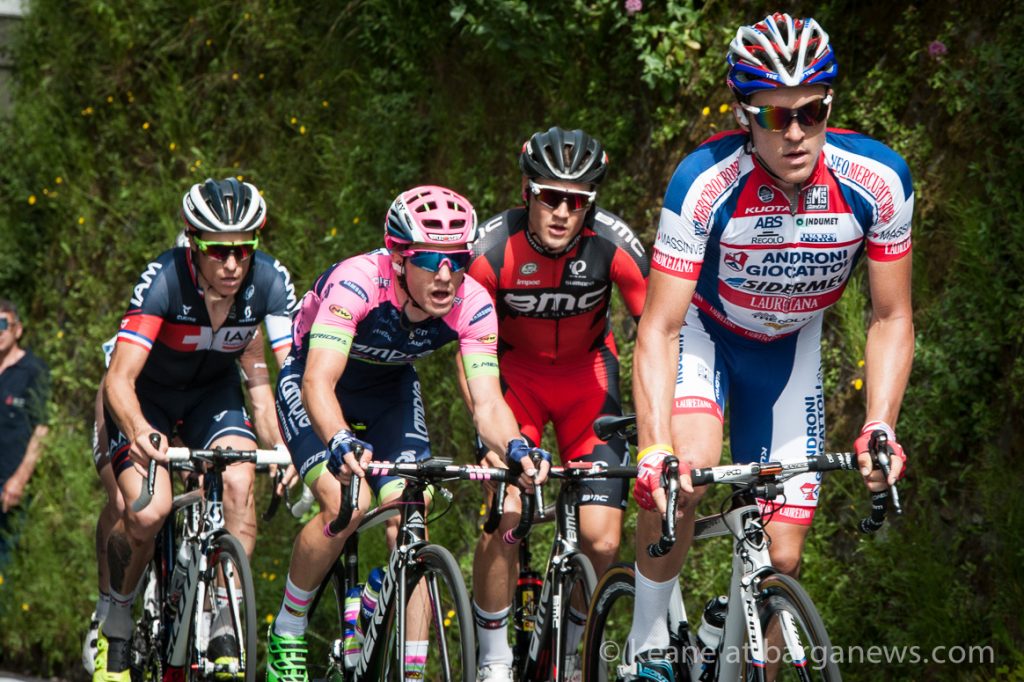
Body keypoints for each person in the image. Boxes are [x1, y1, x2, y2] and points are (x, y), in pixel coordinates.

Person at [626, 12, 913, 679]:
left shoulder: (878, 181)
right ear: (741, 114)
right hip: (706, 337)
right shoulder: (703, 182)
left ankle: (730, 643)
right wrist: (653, 446)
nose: (793, 133)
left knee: (782, 559)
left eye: (810, 113)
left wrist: (880, 424)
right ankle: (644, 646)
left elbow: (892, 315)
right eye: (772, 116)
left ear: (828, 107)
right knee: (686, 474)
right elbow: (659, 327)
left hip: (789, 351)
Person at [265, 185, 550, 682]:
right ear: (399, 258)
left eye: (457, 260)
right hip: (316, 384)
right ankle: (288, 630)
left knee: (411, 519)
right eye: (430, 260)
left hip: (390, 391)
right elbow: (318, 381)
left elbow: (487, 403)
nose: (446, 276)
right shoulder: (357, 283)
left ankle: (409, 664)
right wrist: (337, 438)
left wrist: (518, 447)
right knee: (343, 503)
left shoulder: (473, 301)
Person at [464, 127, 648, 681]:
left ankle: (571, 651)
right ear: (527, 191)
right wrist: (488, 416)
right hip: (513, 383)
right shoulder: (490, 249)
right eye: (550, 196)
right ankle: (494, 658)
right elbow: (470, 351)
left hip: (587, 383)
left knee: (601, 537)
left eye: (577, 200)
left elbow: (663, 331)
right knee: (508, 517)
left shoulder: (614, 243)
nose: (563, 211)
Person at [94, 178, 297, 682]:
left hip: (212, 396)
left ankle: (223, 615)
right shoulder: (163, 279)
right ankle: (114, 625)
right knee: (147, 512)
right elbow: (119, 379)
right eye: (218, 250)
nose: (232, 264)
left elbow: (285, 377)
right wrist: (140, 429)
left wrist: (297, 445)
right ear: (193, 242)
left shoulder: (269, 282)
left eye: (243, 250)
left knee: (239, 480)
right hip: (146, 399)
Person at [82, 325, 294, 674]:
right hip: (135, 401)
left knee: (218, 483)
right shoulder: (161, 309)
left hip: (200, 407)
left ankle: (205, 603)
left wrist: (278, 448)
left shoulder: (242, 320)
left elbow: (260, 399)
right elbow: (118, 386)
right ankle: (106, 612)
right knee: (126, 502)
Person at [0, 299, 50, 570]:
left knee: (6, 564)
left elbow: (42, 429)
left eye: (2, 324)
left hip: (9, 486)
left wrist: (19, 479)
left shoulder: (33, 371)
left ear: (17, 330)